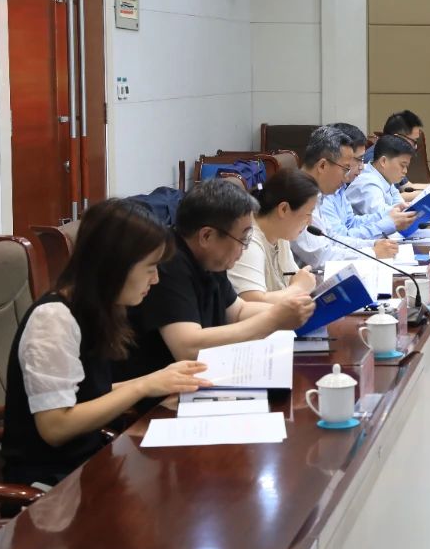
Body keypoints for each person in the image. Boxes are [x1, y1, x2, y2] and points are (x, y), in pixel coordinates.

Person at [2, 199, 213, 487]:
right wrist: (144, 386)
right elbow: (56, 426)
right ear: (115, 265)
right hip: (51, 487)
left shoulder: (95, 310)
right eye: (150, 268)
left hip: (87, 467)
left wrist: (161, 381)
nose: (155, 279)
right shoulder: (53, 319)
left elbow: (86, 393)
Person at [123, 179, 315, 377]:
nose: (244, 248)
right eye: (243, 238)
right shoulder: (169, 263)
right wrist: (273, 319)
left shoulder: (211, 259)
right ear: (206, 236)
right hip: (157, 390)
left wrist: (298, 311)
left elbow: (238, 311)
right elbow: (188, 348)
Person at [292, 125, 399, 269]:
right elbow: (320, 258)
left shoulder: (316, 194)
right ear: (322, 166)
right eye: (345, 168)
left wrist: (371, 244)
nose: (346, 177)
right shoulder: (297, 197)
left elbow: (333, 239)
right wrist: (372, 253)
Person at [228, 169, 320, 303]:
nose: (310, 222)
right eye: (308, 214)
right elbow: (253, 301)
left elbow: (293, 280)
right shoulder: (248, 242)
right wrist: (298, 288)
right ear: (283, 209)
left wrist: (303, 284)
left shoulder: (280, 234)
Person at [319, 122, 414, 240]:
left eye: (363, 159)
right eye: (358, 159)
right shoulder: (320, 193)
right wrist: (389, 225)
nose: (362, 166)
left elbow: (351, 223)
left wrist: (390, 213)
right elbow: (339, 239)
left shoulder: (339, 187)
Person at [382, 110, 430, 194]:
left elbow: (407, 187)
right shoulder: (376, 159)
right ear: (397, 138)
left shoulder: (393, 155)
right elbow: (391, 199)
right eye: (414, 141)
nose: (416, 147)